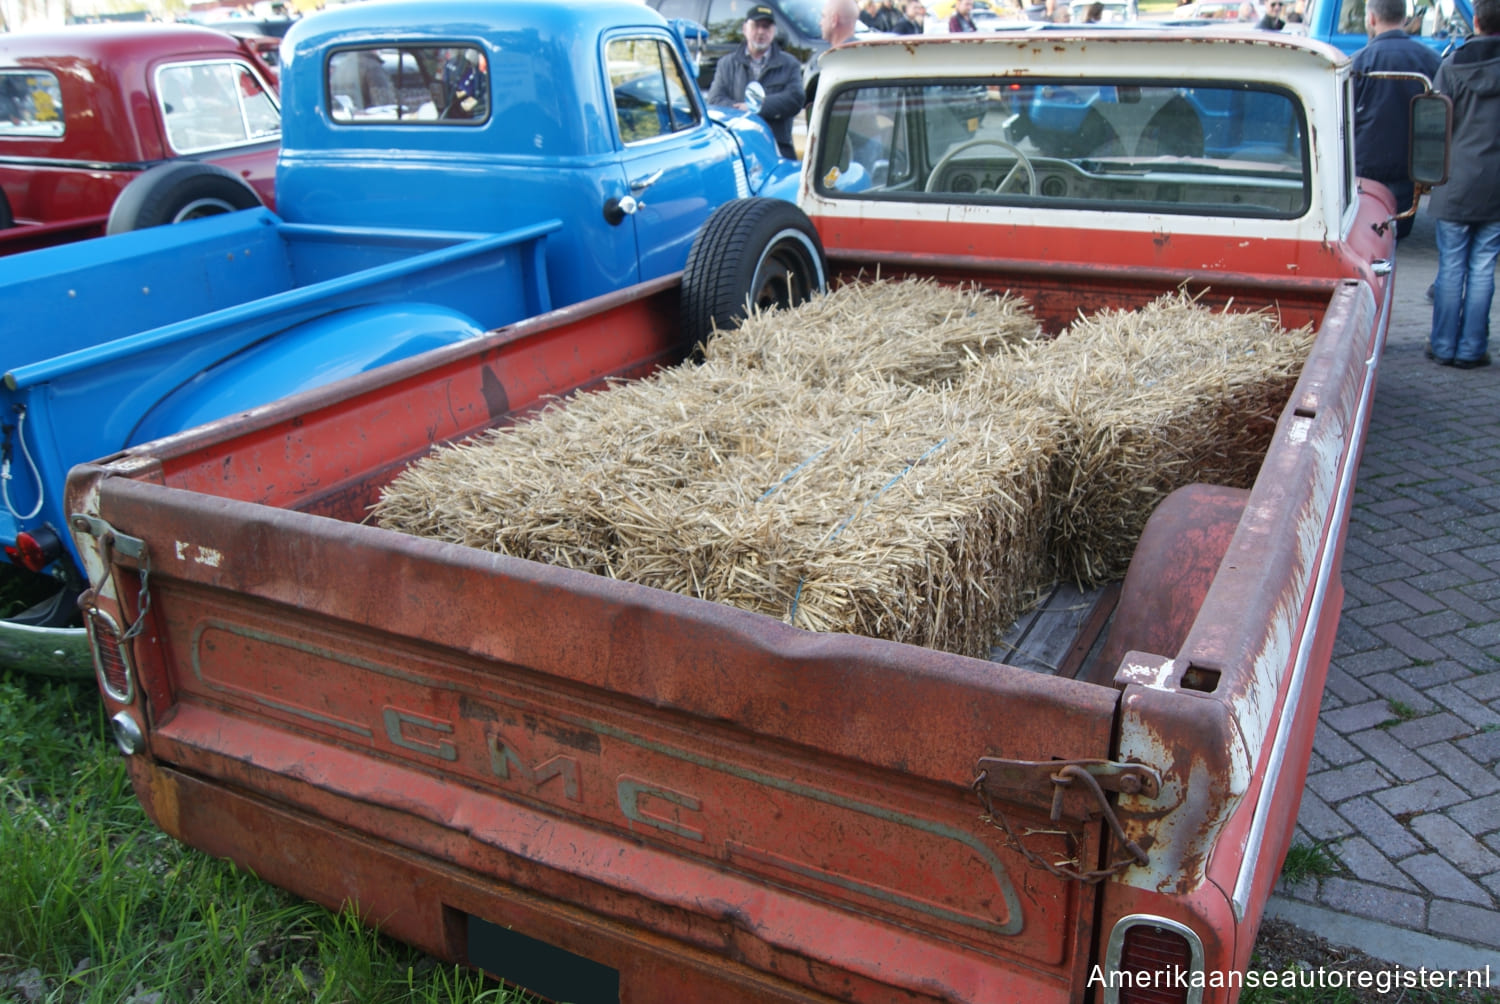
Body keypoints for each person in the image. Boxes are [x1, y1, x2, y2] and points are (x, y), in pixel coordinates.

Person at [1425, 0, 1500, 368]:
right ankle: (1472, 349)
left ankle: (1442, 346)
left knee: (1452, 265)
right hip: (1496, 185)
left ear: (1478, 18)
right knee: (1484, 265)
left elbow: (1434, 127)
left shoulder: (1452, 64)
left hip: (1455, 181)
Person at [1350, 0, 1441, 238]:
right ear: (1404, 19)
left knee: (1367, 238)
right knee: (1394, 239)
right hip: (1410, 169)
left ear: (1371, 19)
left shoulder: (1358, 63)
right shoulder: (1431, 60)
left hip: (1365, 169)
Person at [707, 4, 806, 158]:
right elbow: (714, 100)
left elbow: (795, 99)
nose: (761, 32)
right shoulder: (726, 64)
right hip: (739, 149)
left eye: (766, 27)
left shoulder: (790, 64)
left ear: (774, 31)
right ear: (745, 28)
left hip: (778, 150)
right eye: (756, 26)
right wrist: (740, 111)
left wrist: (756, 107)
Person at [804, 0, 858, 110]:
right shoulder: (864, 55)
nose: (820, 23)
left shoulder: (832, 61)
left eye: (823, 17)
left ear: (834, 20)